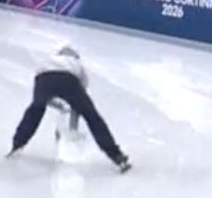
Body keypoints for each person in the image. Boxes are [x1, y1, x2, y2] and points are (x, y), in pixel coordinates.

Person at [8, 44, 130, 172]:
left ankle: (17, 145)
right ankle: (116, 156)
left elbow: (41, 83)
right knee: (92, 116)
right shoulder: (75, 63)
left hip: (43, 79)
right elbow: (81, 93)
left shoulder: (48, 60)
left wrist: (54, 103)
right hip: (68, 79)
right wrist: (73, 124)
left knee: (35, 110)